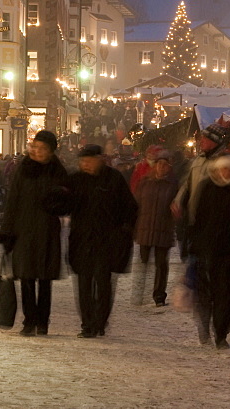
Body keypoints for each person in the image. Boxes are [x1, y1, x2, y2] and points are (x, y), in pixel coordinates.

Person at [0, 131, 69, 336]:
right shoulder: (23, 169)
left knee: (44, 279)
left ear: (51, 152)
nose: (37, 151)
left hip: (47, 232)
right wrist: (7, 232)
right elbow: (12, 202)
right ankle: (29, 321)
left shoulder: (58, 172)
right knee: (26, 277)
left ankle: (43, 321)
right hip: (23, 230)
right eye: (34, 147)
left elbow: (68, 201)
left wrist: (57, 201)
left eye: (42, 148)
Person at [67, 144, 138, 338]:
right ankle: (87, 324)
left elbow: (130, 207)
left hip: (107, 241)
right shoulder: (75, 180)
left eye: (89, 161)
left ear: (100, 160)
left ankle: (100, 321)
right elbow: (64, 203)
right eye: (82, 162)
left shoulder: (113, 179)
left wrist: (124, 230)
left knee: (103, 282)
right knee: (84, 283)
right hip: (82, 239)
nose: (85, 165)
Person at [190, 154, 230, 349]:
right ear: (216, 171)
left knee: (225, 293)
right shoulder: (206, 188)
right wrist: (194, 245)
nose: (228, 173)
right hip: (207, 250)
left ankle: (221, 333)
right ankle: (205, 327)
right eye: (224, 169)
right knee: (206, 293)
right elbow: (197, 219)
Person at [172, 124, 230, 258]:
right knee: (195, 262)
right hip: (194, 220)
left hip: (216, 225)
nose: (200, 141)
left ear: (214, 141)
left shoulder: (226, 163)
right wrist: (178, 201)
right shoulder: (198, 160)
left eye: (205, 138)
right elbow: (187, 184)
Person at [133, 150, 178, 307]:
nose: (162, 167)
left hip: (163, 228)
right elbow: (136, 203)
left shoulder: (173, 185)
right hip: (145, 227)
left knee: (161, 264)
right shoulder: (145, 182)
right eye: (159, 164)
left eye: (165, 165)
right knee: (143, 263)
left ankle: (159, 295)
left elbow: (178, 206)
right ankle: (139, 293)